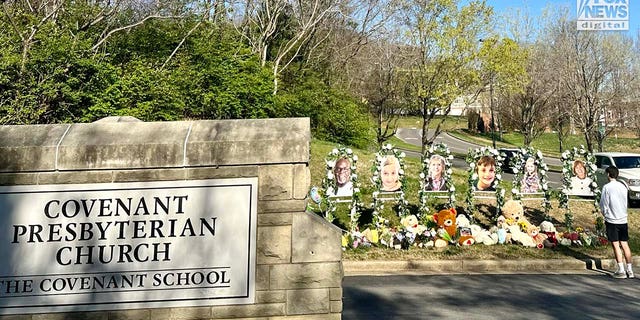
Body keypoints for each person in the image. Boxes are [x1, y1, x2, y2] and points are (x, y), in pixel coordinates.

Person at [600, 166, 634, 279]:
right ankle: (630, 269)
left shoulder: (607, 187)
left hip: (612, 219)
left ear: (609, 174)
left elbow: (604, 203)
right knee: (625, 244)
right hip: (623, 218)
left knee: (615, 244)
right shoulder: (623, 186)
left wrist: (604, 213)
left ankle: (621, 269)